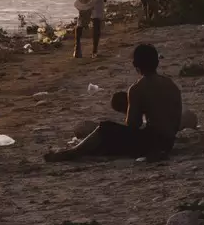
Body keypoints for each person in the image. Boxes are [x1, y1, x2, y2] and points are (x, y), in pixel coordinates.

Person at [46, 43, 183, 161]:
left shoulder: (137, 88)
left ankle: (72, 152)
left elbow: (133, 125)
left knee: (105, 128)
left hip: (152, 143)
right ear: (156, 62)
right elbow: (173, 119)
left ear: (135, 64)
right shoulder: (170, 84)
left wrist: (129, 109)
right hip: (169, 141)